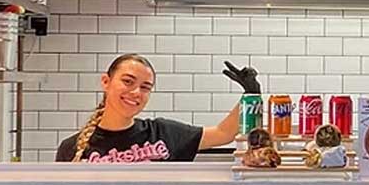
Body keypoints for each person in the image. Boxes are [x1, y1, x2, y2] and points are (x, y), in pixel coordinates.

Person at [55, 54, 260, 163]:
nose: (136, 92)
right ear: (106, 82)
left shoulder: (164, 133)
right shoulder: (71, 148)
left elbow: (223, 133)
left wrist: (251, 95)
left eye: (145, 87)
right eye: (128, 81)